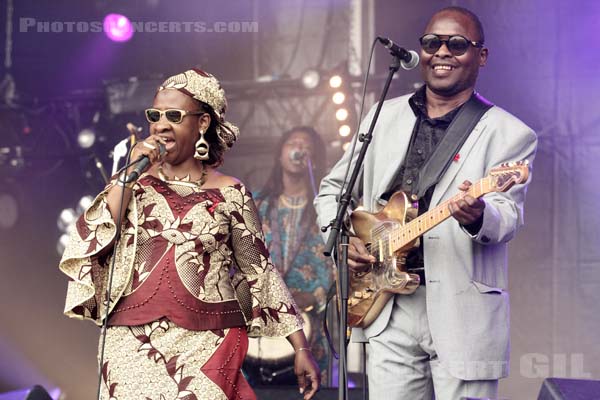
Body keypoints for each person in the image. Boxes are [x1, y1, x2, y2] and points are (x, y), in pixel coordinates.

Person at [315, 7, 537, 400]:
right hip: (387, 303)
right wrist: (348, 241)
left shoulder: (510, 133)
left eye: (457, 44)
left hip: (461, 308)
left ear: (480, 56)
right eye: (432, 43)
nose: (442, 52)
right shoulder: (383, 116)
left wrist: (478, 215)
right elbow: (334, 189)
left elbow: (508, 217)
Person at [58, 68, 320, 400]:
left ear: (202, 123)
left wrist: (300, 347)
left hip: (206, 341)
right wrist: (128, 173)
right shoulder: (133, 183)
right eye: (155, 115)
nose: (160, 124)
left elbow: (260, 272)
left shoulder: (231, 193)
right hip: (130, 341)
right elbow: (94, 233)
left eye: (173, 115)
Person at [247, 126, 333, 385]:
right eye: (292, 143)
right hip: (262, 320)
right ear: (280, 155)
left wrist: (315, 295)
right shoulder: (257, 205)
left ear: (314, 159)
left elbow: (336, 265)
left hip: (309, 322)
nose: (299, 148)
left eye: (306, 145)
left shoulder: (325, 209)